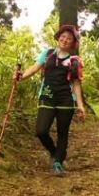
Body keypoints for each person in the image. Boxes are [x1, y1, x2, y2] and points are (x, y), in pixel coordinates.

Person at [16, 24, 85, 175]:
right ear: (58, 37)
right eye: (63, 37)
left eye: (69, 38)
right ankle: (55, 153)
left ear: (73, 43)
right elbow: (34, 68)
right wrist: (21, 77)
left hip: (66, 99)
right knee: (41, 131)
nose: (65, 40)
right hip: (47, 96)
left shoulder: (74, 61)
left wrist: (80, 105)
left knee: (62, 133)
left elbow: (76, 83)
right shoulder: (47, 54)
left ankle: (58, 163)